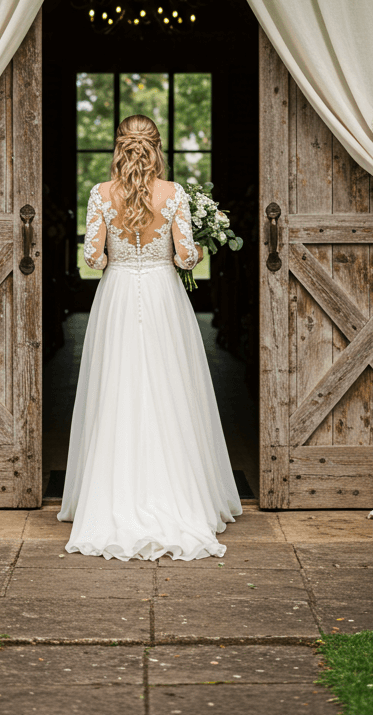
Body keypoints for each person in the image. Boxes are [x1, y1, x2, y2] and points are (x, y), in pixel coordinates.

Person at [57, 114, 242, 560]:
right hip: (162, 296)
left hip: (118, 295)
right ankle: (178, 494)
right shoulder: (174, 194)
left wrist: (117, 249)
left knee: (118, 388)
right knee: (168, 388)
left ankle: (110, 497)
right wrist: (201, 243)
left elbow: (93, 261)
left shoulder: (100, 194)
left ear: (119, 146)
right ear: (156, 147)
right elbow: (184, 257)